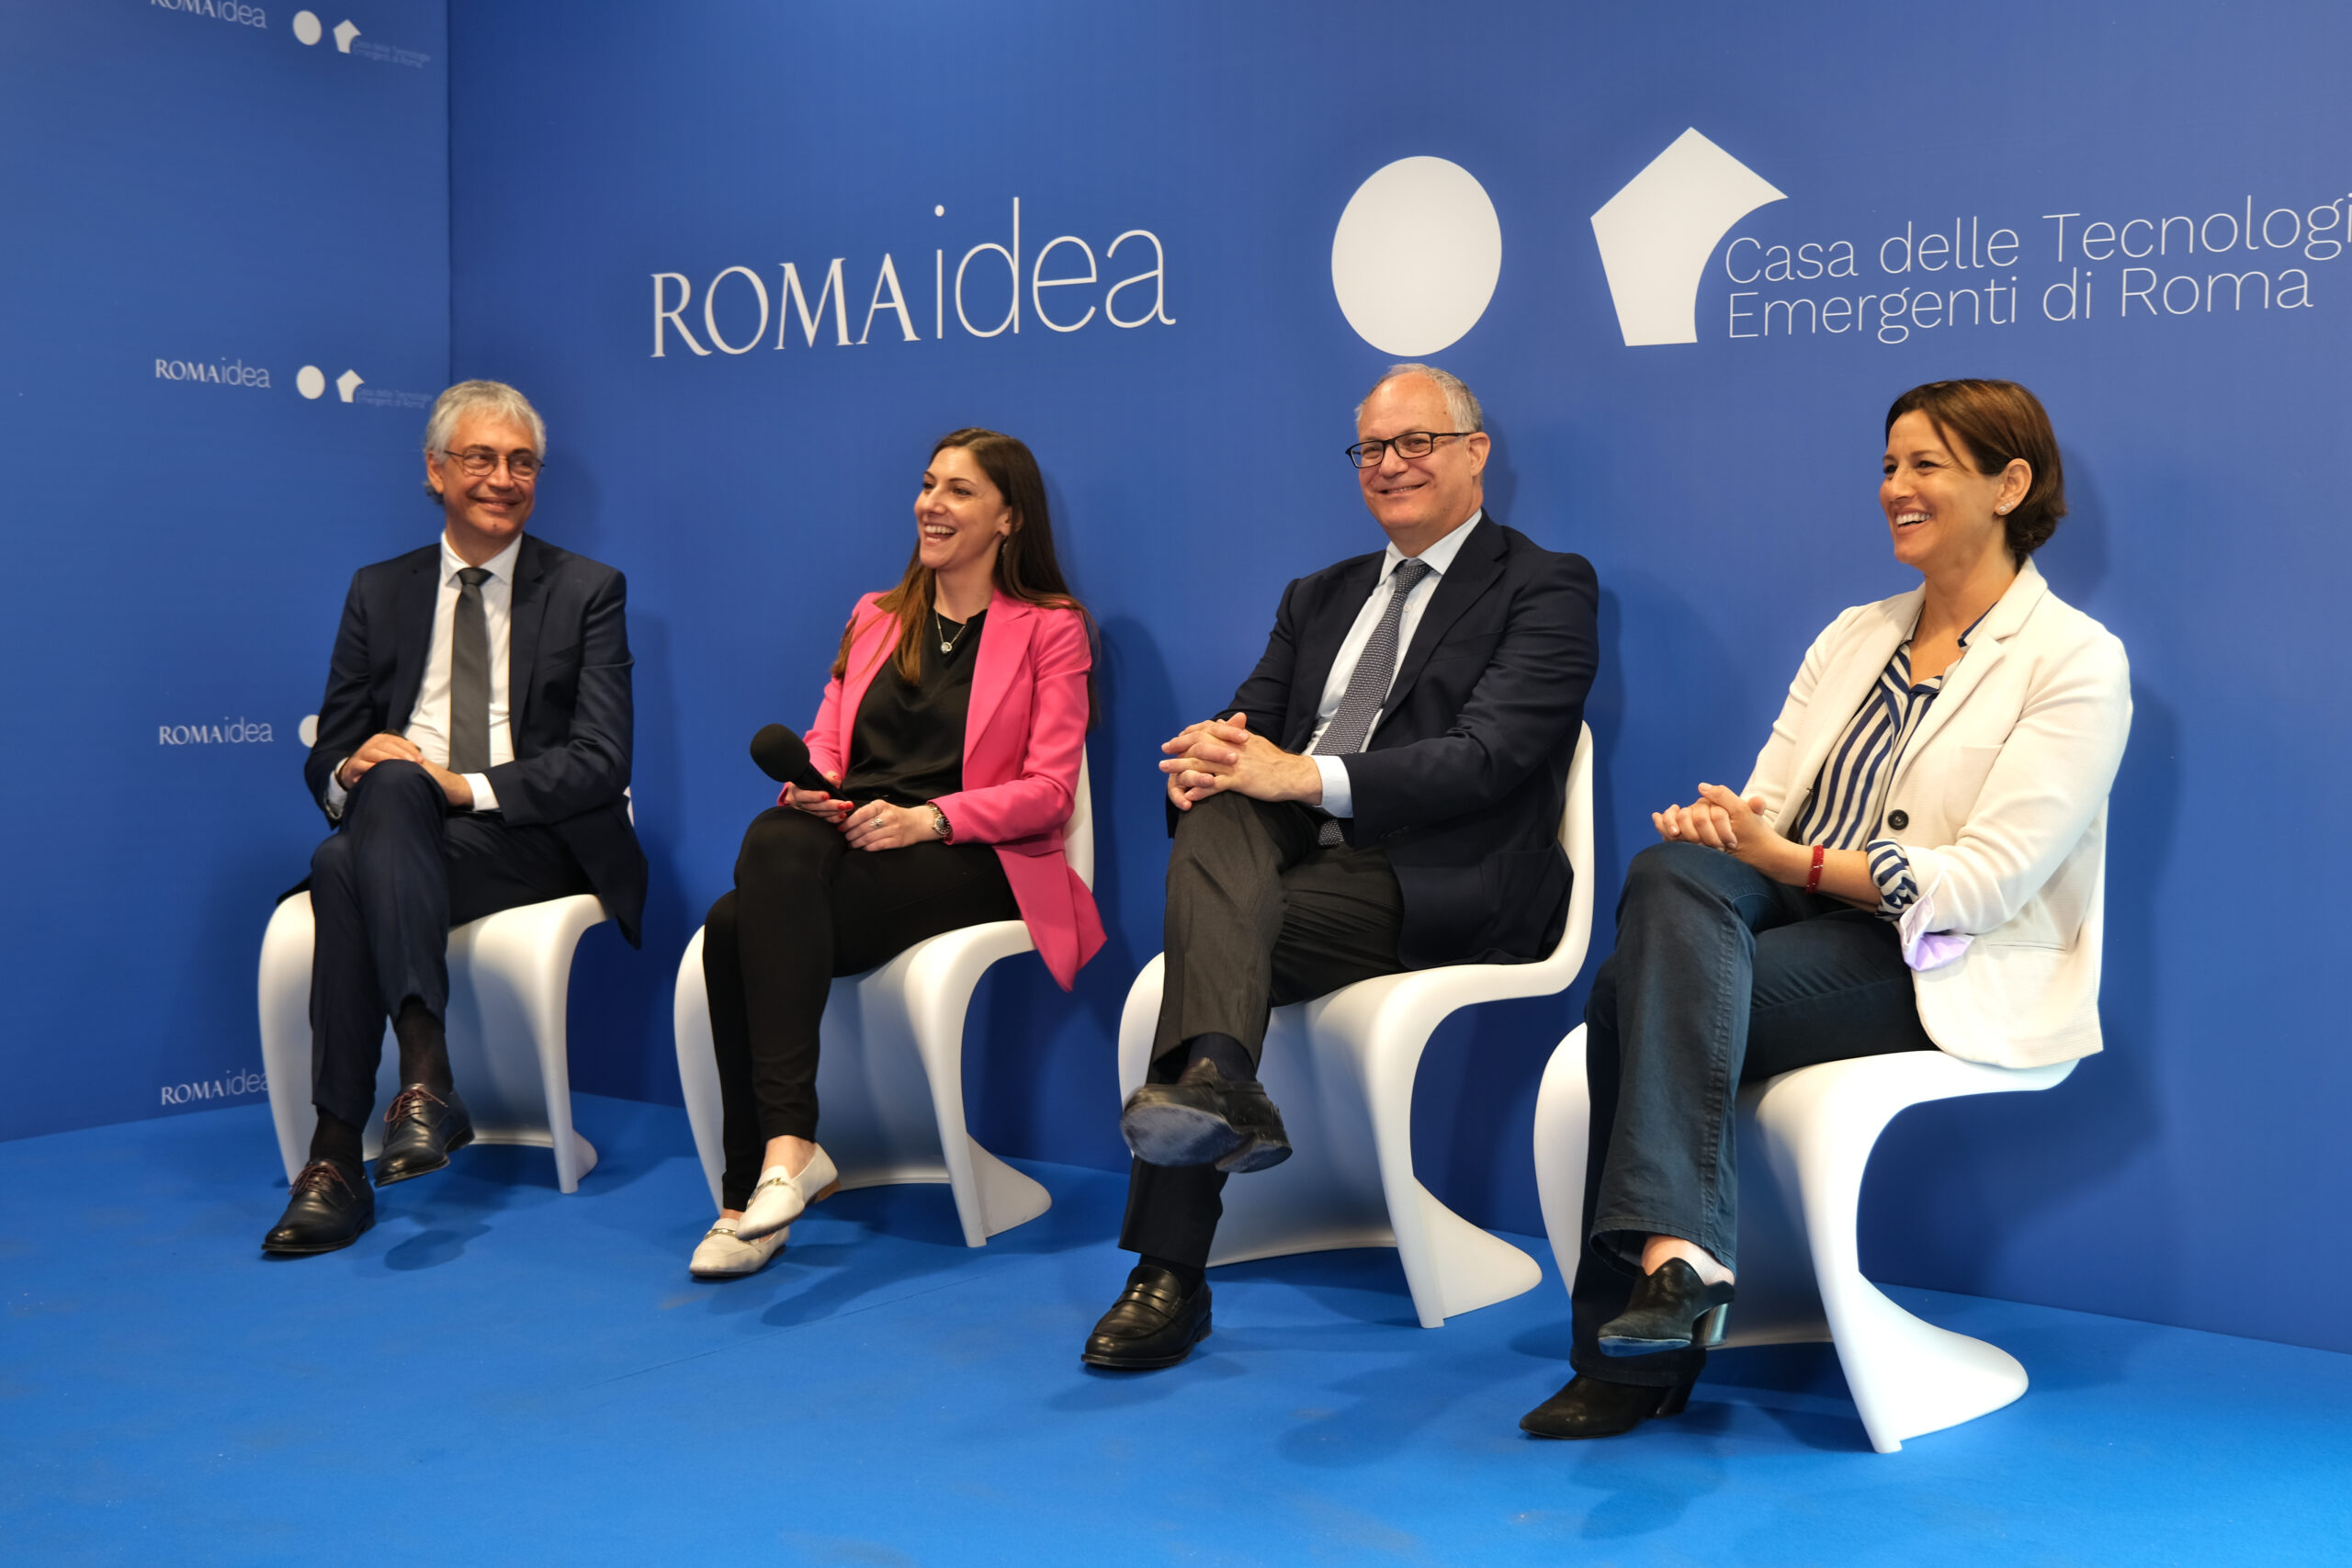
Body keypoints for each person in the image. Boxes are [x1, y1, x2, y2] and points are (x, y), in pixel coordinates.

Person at [1521, 378, 2132, 1439]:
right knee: (1670, 872)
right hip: (1788, 914)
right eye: (1888, 466)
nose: (1895, 487)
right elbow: (1765, 808)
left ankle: (1633, 1351)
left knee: (1627, 995)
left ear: (2009, 485)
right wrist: (1726, 829)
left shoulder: (2074, 659)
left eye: (1925, 464)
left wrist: (1792, 860)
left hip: (1934, 955)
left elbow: (1985, 883)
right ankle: (1679, 1265)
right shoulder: (1854, 634)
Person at [1083, 364, 1600, 1369]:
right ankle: (1219, 1082)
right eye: (1371, 447)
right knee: (1220, 811)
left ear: (1475, 453)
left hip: (1446, 877)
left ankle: (1168, 1269)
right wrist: (1207, 762)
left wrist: (1302, 775)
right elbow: (1250, 730)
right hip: (1293, 866)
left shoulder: (1545, 585)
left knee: (1210, 940)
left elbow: (1488, 759)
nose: (1390, 464)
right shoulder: (1316, 596)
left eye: (1416, 442)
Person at [689, 429, 1103, 1279]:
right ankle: (776, 1168)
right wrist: (813, 787)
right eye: (927, 484)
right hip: (854, 840)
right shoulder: (875, 615)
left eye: (959, 490)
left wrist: (932, 819)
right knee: (769, 847)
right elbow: (827, 742)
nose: (931, 504)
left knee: (737, 924)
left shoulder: (1051, 629)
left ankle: (755, 1189)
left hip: (974, 854)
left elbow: (1050, 792)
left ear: (1009, 518)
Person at [265, 380, 647, 1255]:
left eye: (522, 463)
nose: (503, 479)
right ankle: (423, 1086)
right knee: (376, 802)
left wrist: (462, 786)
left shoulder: (588, 589)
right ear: (436, 471)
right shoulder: (379, 589)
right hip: (406, 831)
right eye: (480, 458)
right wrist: (350, 766)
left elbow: (602, 759)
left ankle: (338, 1157)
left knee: (344, 859)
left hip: (533, 835)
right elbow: (334, 747)